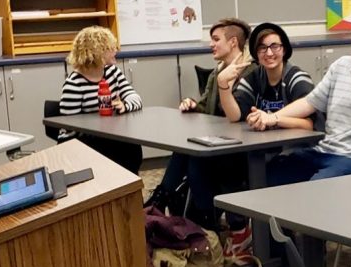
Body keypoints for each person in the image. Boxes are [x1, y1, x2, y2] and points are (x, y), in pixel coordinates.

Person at [195, 22, 314, 257]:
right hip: (261, 149)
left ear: (285, 49)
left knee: (252, 174)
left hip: (294, 150)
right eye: (262, 48)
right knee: (214, 163)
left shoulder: (297, 78)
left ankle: (263, 240)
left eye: (274, 46)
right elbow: (234, 115)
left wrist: (273, 119)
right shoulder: (256, 77)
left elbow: (309, 125)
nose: (269, 53)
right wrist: (224, 86)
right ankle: (228, 229)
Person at [249, 15, 351, 185]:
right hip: (325, 149)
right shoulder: (342, 66)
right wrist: (271, 118)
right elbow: (310, 102)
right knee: (270, 174)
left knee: (316, 188)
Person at [144, 18, 253, 215]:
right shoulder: (216, 73)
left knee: (195, 161)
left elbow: (238, 116)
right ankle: (163, 199)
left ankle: (199, 215)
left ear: (233, 42)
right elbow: (205, 107)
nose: (211, 44)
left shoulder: (251, 73)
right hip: (218, 141)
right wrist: (192, 104)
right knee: (186, 148)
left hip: (241, 146)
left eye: (216, 39)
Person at [58, 25, 143, 174]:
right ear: (97, 52)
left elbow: (135, 98)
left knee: (133, 148)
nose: (115, 51)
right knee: (118, 150)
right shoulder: (74, 83)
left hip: (108, 135)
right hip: (82, 140)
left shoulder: (113, 72)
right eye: (111, 48)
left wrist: (125, 105)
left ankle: (128, 191)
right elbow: (71, 127)